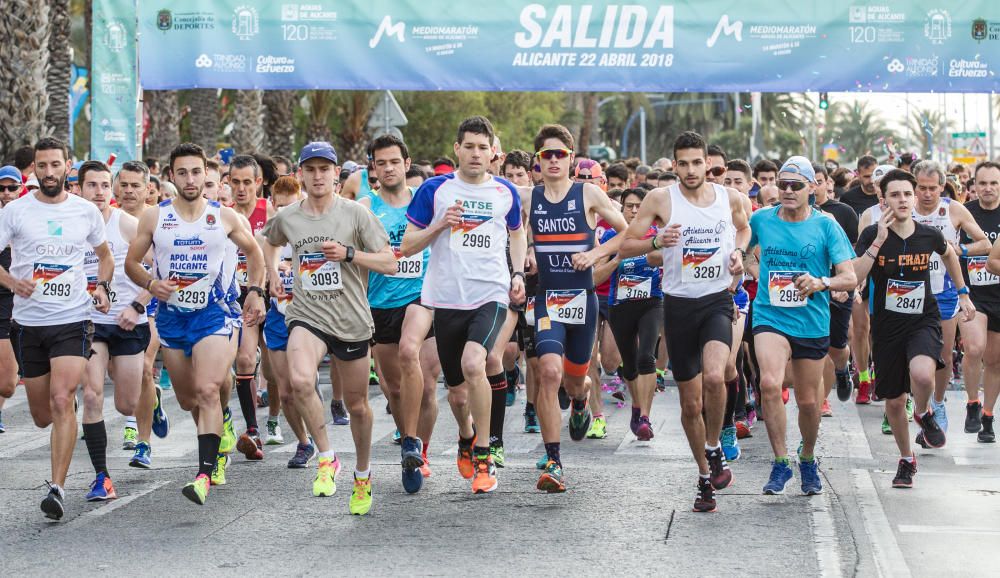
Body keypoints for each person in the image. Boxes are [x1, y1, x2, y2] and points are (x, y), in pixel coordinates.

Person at [125, 142, 266, 506]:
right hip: (172, 317)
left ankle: (205, 471)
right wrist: (150, 283)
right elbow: (131, 263)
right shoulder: (155, 217)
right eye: (182, 172)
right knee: (189, 400)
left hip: (215, 313)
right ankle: (224, 417)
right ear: (172, 176)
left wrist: (254, 291)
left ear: (207, 175)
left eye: (196, 172)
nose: (190, 179)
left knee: (206, 389)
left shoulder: (224, 217)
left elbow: (254, 252)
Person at [262, 141, 396, 514]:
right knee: (301, 380)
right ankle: (326, 457)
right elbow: (267, 241)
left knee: (357, 406)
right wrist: (272, 273)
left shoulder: (355, 214)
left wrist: (349, 254)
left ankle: (363, 474)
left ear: (336, 174)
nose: (318, 176)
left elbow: (389, 262)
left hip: (351, 320)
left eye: (325, 169)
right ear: (300, 174)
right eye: (311, 169)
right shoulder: (289, 216)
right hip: (307, 314)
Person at [620, 131, 750, 513]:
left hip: (716, 301)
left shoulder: (729, 198)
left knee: (715, 376)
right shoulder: (660, 199)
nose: (691, 170)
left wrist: (739, 252)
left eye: (698, 162)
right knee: (691, 404)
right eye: (683, 163)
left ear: (708, 163)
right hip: (677, 306)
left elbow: (744, 227)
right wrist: (657, 242)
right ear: (674, 165)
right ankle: (705, 472)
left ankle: (714, 448)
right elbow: (628, 244)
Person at [402, 116, 526, 495]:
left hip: (489, 294)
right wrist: (439, 225)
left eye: (482, 147)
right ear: (457, 149)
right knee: (456, 392)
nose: (475, 153)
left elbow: (517, 233)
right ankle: (467, 435)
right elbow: (407, 245)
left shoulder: (505, 192)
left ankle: (485, 457)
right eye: (468, 146)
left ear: (493, 152)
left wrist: (517, 273)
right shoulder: (434, 191)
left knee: (477, 362)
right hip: (445, 299)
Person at [0, 138, 113, 520]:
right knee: (41, 414)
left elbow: (104, 256)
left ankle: (57, 488)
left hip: (73, 320)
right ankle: (62, 413)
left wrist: (101, 286)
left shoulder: (85, 211)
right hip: (29, 324)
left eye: (55, 165)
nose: (49, 172)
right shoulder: (16, 211)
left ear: (68, 167)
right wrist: (12, 283)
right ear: (34, 168)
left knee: (62, 400)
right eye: (42, 166)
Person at [854, 169, 974, 487]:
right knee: (893, 401)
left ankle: (923, 412)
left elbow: (949, 255)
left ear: (915, 196)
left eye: (907, 194)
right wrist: (878, 242)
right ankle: (907, 458)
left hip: (923, 318)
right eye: (895, 194)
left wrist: (963, 294)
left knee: (922, 374)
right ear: (883, 200)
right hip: (887, 326)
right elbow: (855, 274)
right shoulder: (871, 235)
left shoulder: (928, 234)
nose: (903, 200)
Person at [525, 124, 627, 493]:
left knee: (574, 379)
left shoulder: (589, 193)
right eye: (546, 155)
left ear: (570, 158)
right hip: (547, 301)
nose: (553, 160)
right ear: (537, 161)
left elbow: (627, 231)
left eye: (560, 154)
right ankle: (553, 460)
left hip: (583, 302)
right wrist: (524, 253)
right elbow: (510, 229)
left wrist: (595, 253)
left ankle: (582, 401)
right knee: (548, 372)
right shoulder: (528, 198)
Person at [748, 157, 857, 496]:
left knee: (809, 403)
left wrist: (821, 281)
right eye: (783, 185)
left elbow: (849, 277)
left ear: (812, 188)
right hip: (770, 315)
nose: (788, 191)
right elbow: (748, 252)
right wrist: (754, 271)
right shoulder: (761, 219)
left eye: (796, 185)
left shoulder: (827, 226)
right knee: (769, 383)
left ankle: (807, 457)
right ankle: (780, 462)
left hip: (811, 321)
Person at [357, 135, 440, 493]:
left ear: (407, 164)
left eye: (394, 161)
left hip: (422, 297)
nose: (388, 168)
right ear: (373, 169)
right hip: (379, 304)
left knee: (423, 378)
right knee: (394, 389)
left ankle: (417, 450)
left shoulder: (425, 203)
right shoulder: (364, 207)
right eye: (381, 163)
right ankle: (408, 439)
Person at [76, 161, 153, 501]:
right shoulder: (71, 225)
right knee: (91, 395)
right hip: (89, 323)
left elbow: (162, 268)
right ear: (78, 188)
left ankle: (152, 407)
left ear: (113, 190)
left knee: (126, 404)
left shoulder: (128, 224)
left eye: (104, 186)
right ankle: (102, 477)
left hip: (127, 323)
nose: (98, 192)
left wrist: (136, 305)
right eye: (91, 185)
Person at [906, 160, 990, 443]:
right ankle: (917, 404)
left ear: (942, 187)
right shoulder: (905, 208)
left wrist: (959, 248)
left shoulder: (952, 209)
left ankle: (938, 405)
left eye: (933, 188)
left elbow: (985, 244)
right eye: (921, 188)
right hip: (908, 291)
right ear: (913, 186)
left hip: (943, 293)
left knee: (942, 356)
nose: (926, 194)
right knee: (910, 355)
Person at [114, 161, 169, 468]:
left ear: (149, 188)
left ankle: (142, 442)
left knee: (146, 366)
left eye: (136, 185)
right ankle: (152, 400)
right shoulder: (105, 217)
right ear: (116, 187)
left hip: (149, 305)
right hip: (113, 308)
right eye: (124, 185)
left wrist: (142, 298)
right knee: (117, 374)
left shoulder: (157, 219)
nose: (130, 191)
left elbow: (162, 267)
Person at [259, 176, 315, 467]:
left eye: (289, 206)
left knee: (303, 381)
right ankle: (304, 444)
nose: (284, 213)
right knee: (285, 391)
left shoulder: (313, 230)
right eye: (279, 207)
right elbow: (259, 266)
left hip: (310, 317)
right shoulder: (270, 236)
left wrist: (293, 265)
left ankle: (319, 427)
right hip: (278, 317)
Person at [599, 188, 663, 442]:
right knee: (629, 365)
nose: (635, 211)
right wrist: (616, 259)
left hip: (651, 303)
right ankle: (637, 406)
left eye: (640, 206)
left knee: (647, 357)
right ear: (621, 209)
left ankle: (645, 416)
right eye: (629, 206)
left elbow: (668, 260)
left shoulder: (658, 235)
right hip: (620, 304)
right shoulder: (613, 237)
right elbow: (596, 274)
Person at [228, 154, 278, 458]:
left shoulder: (270, 212)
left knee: (275, 374)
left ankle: (273, 420)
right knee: (245, 361)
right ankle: (253, 430)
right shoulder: (223, 216)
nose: (242, 188)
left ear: (258, 182)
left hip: (271, 296)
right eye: (236, 182)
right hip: (240, 298)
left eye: (248, 182)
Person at [813, 164, 860, 411]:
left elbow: (853, 254)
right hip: (805, 289)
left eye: (818, 181)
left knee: (836, 346)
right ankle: (819, 400)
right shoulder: (787, 214)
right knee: (814, 347)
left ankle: (842, 370)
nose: (813, 186)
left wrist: (850, 284)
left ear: (827, 183)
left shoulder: (842, 213)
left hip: (838, 287)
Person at [962, 161, 1000, 442]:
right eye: (983, 183)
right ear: (973, 185)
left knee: (995, 361)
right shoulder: (966, 214)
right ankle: (973, 403)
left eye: (994, 183)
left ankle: (987, 415)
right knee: (974, 348)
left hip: (998, 295)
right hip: (972, 294)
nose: (988, 188)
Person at [0, 165, 23, 433]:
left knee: (8, 381)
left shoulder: (29, 216)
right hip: (6, 298)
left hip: (19, 304)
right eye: (1, 188)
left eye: (12, 188)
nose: (6, 193)